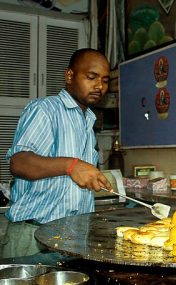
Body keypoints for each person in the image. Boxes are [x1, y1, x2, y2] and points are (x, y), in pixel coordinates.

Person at [1, 48, 113, 259]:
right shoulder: (45, 109)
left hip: (73, 236)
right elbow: (19, 163)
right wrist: (71, 165)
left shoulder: (87, 121)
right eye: (91, 77)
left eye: (105, 80)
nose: (99, 86)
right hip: (33, 236)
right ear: (69, 76)